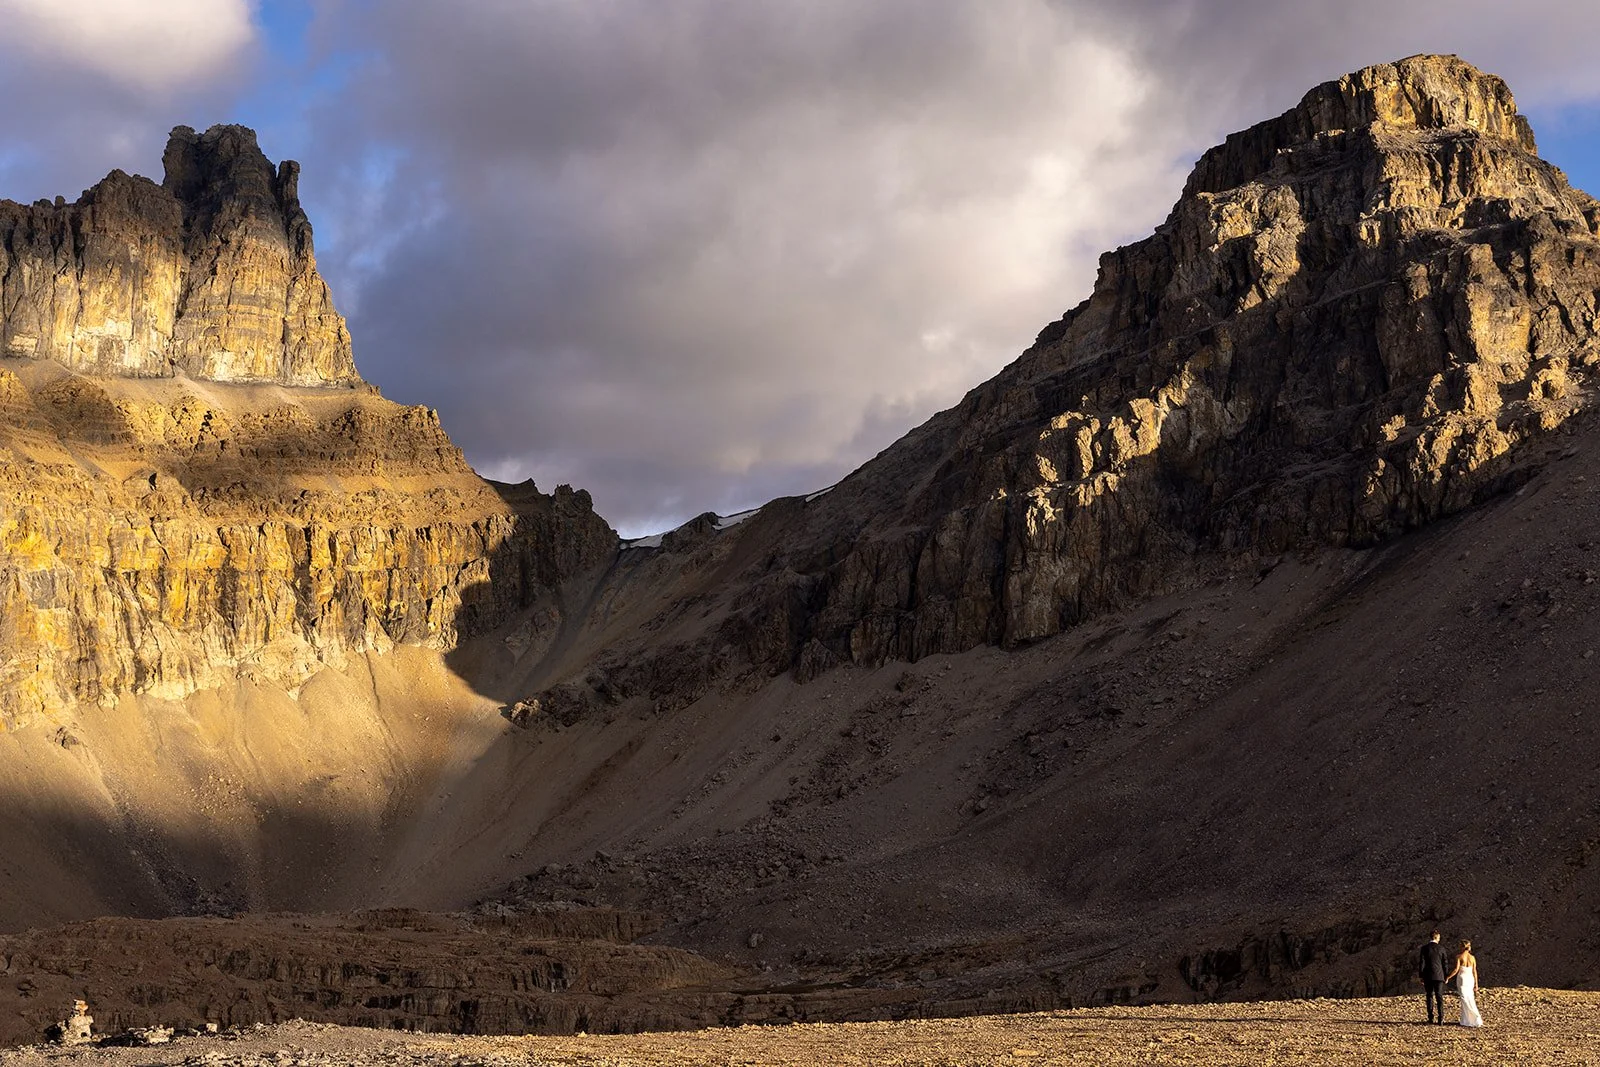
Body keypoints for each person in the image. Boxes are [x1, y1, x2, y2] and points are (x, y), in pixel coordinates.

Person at [1446, 939, 1484, 1027]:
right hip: (1470, 978)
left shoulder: (1459, 957)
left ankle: (1468, 1019)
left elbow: (1456, 970)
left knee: (1464, 998)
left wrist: (1448, 977)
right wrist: (1476, 984)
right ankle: (1471, 1019)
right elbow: (1474, 971)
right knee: (1470, 998)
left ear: (1462, 947)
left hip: (1462, 978)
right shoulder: (1472, 958)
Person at [1417, 931, 1450, 1024]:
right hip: (1439, 975)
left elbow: (1422, 963)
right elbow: (1445, 963)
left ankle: (1430, 1018)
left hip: (1428, 975)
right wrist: (1446, 975)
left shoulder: (1424, 948)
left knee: (1429, 996)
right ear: (1437, 937)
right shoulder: (1441, 948)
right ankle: (1441, 1018)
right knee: (1439, 997)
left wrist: (1421, 975)